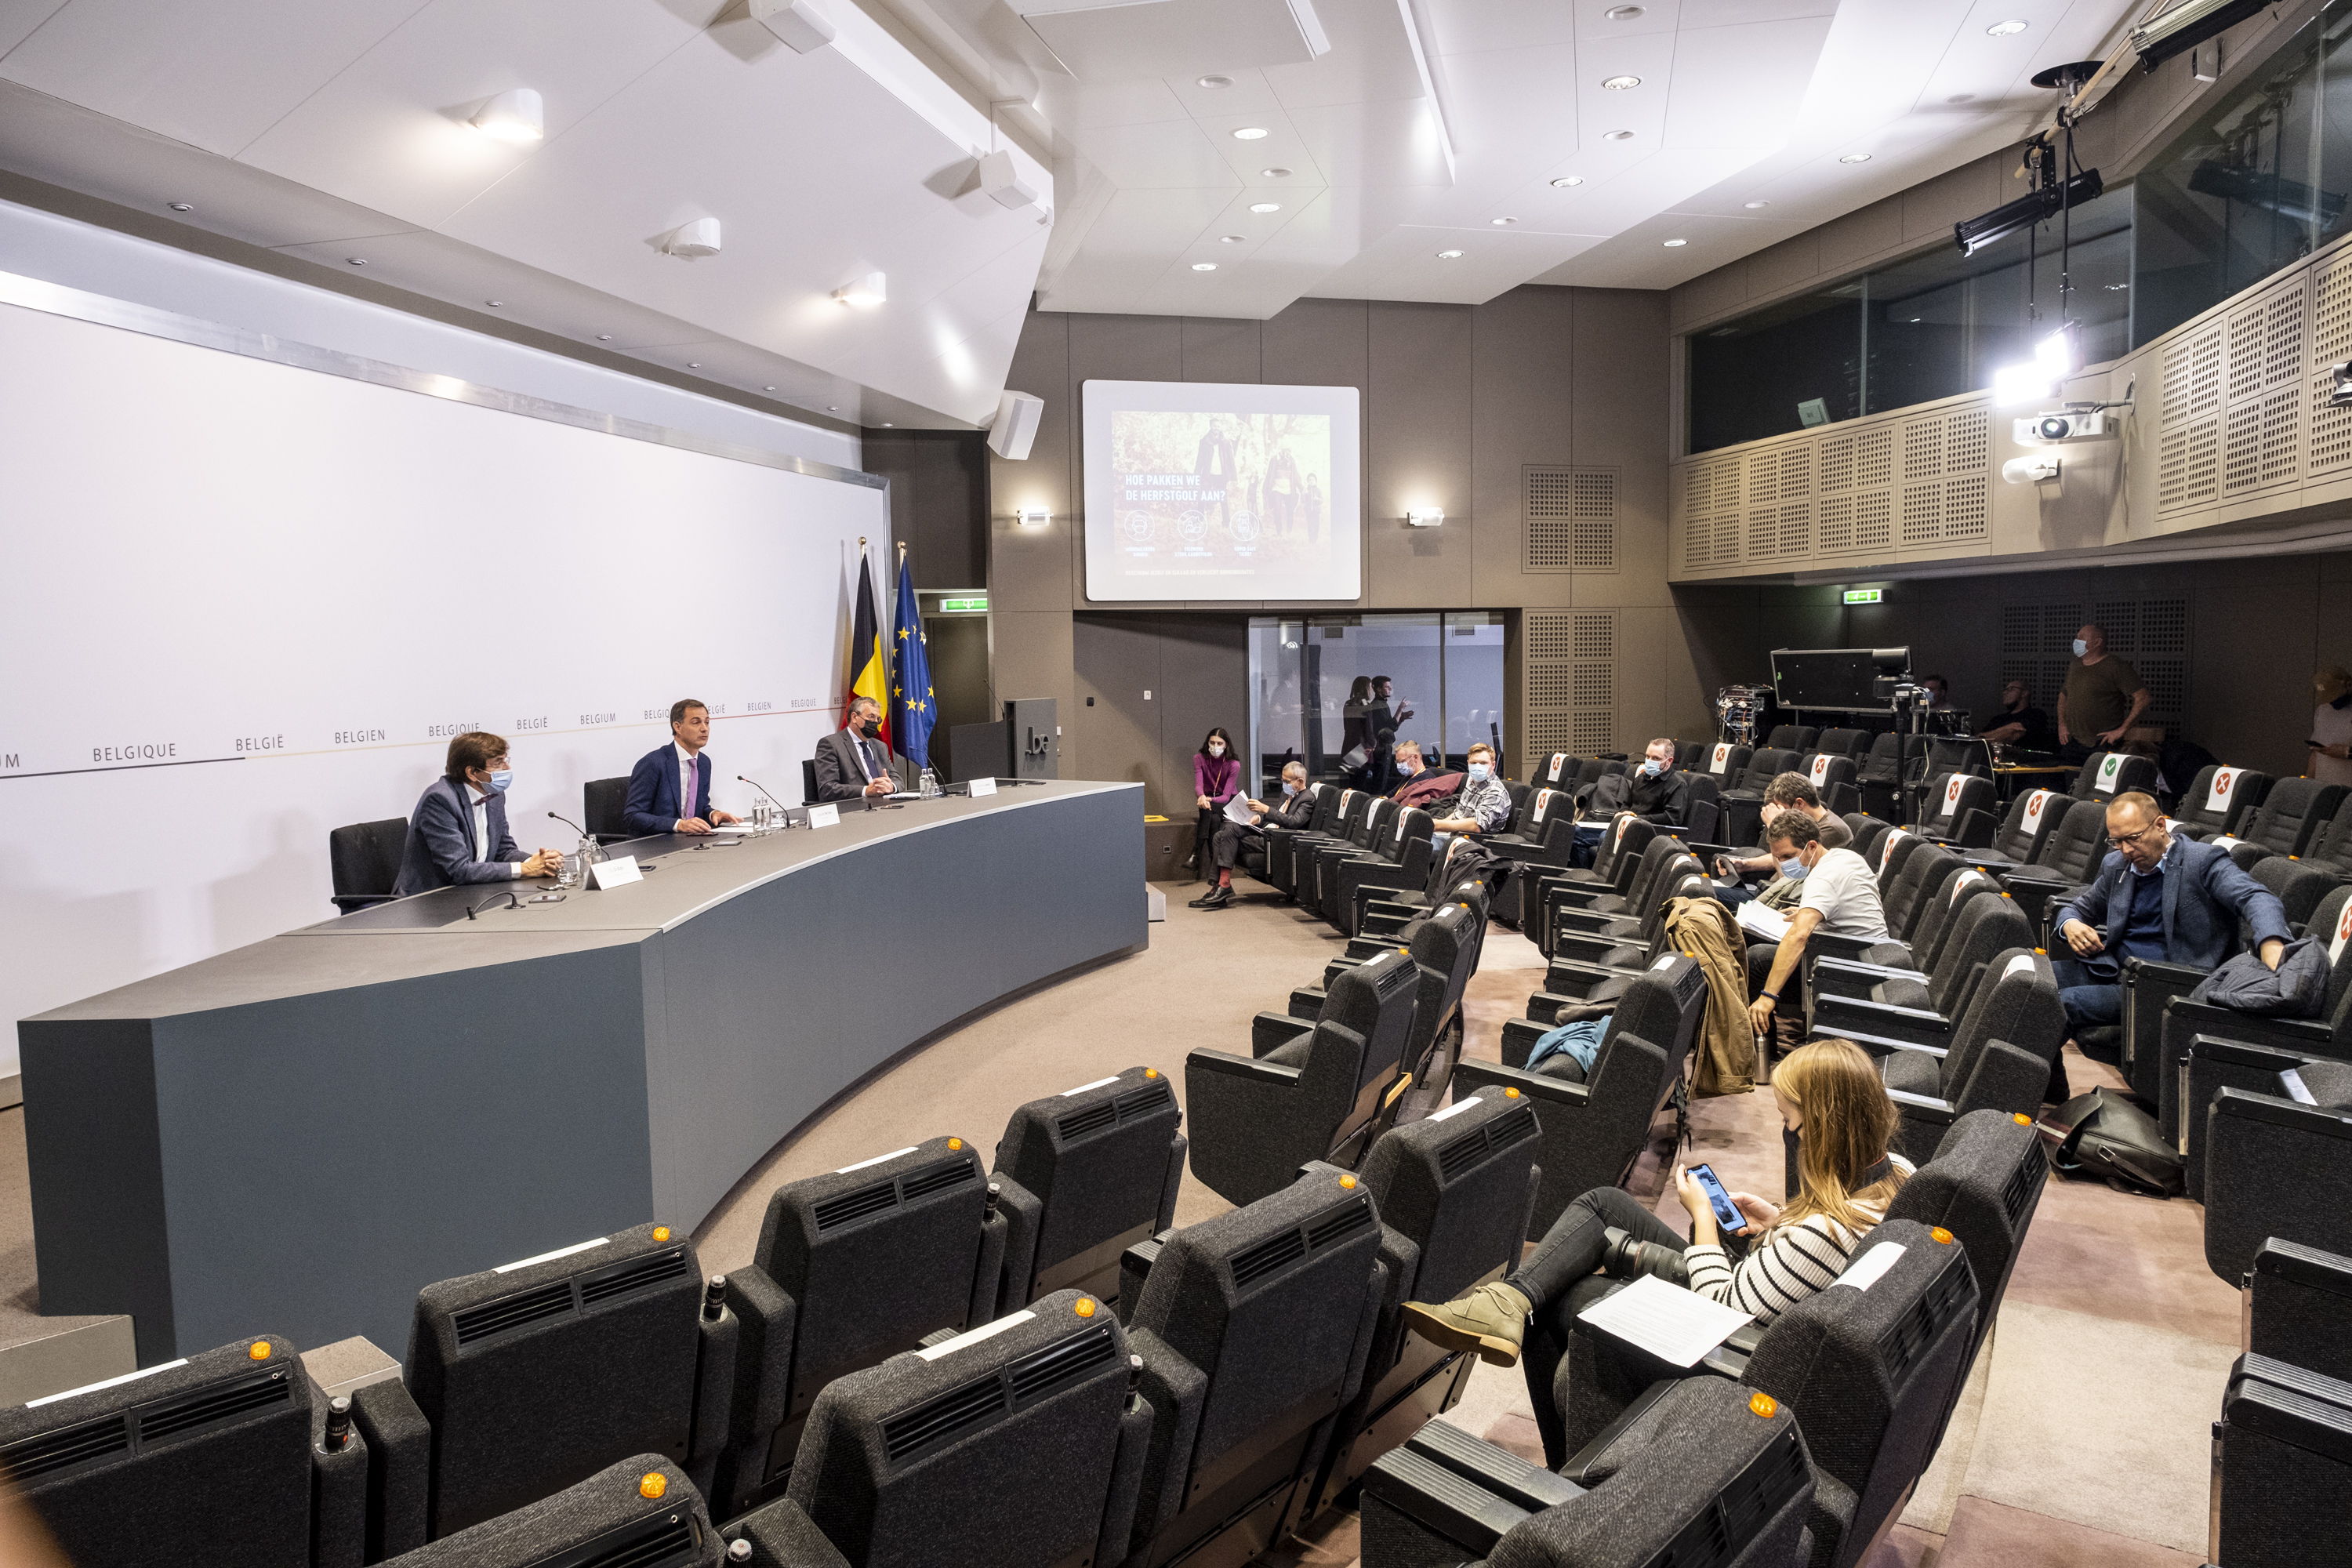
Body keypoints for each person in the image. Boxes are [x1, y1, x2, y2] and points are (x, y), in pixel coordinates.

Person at [1399, 1039, 1912, 1376]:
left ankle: (1519, 1322)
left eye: (1789, 1119)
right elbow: (1814, 1256)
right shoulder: (1899, 1173)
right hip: (1762, 1287)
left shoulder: (1821, 1233)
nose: (1787, 1132)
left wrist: (1705, 1222)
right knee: (1604, 1205)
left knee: (1569, 1298)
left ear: (1821, 1127)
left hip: (1734, 1341)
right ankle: (1507, 1304)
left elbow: (1723, 1305)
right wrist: (1777, 1221)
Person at [2049, 791, 2288, 1041]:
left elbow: (2256, 897)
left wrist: (2271, 942)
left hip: (2164, 982)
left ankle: (2044, 1081)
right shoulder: (2116, 865)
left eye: (2133, 838)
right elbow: (2079, 907)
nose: (2126, 850)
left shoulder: (2202, 861)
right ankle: (2050, 1082)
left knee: (2056, 1005)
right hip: (2111, 969)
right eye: (2117, 842)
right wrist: (2070, 924)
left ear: (2160, 826)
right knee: (2029, 980)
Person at [1746, 811, 1889, 1043]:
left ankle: (1760, 1051)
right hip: (1868, 953)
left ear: (1811, 846)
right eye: (1778, 858)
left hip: (1852, 969)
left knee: (1758, 959)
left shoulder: (1822, 878)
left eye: (1788, 856)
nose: (1782, 864)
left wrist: (1768, 996)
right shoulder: (1844, 856)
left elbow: (1799, 936)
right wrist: (1809, 914)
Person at [393, 731, 563, 896]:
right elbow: (458, 870)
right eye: (498, 763)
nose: (507, 768)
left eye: (505, 760)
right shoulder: (440, 799)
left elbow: (504, 851)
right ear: (472, 773)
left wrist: (540, 862)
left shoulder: (494, 795)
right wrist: (526, 869)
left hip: (471, 891)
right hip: (430, 898)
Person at [1192, 760, 1316, 909]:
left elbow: (1294, 822)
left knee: (1225, 835)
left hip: (1277, 840)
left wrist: (1266, 810)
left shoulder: (1307, 798)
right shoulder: (1287, 793)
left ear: (1300, 781)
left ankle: (1223, 886)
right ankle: (1218, 886)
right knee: (1224, 832)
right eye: (1282, 780)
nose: (1283, 784)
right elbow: (1278, 814)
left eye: (1286, 781)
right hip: (1265, 832)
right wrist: (1259, 818)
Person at [1712, 773, 1850, 896]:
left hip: (1784, 896)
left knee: (1706, 895)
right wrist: (1746, 865)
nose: (1778, 813)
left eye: (1781, 808)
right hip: (1769, 888)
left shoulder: (1833, 830)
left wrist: (1775, 826)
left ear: (1799, 804)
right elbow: (1785, 856)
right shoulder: (1808, 822)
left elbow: (1789, 878)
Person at [623, 699, 742, 837]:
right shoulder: (653, 763)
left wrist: (713, 814)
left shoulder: (704, 762)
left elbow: (699, 807)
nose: (704, 728)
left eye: (707, 722)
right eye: (696, 722)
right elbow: (633, 816)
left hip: (690, 841)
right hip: (658, 843)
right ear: (677, 727)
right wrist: (678, 825)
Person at [2057, 623, 2150, 763]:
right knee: (2071, 781)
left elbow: (2143, 698)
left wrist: (2122, 729)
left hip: (2101, 741)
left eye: (2082, 637)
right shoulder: (2075, 665)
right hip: (2073, 740)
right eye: (2077, 637)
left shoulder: (2115, 666)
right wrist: (2062, 724)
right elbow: (2064, 695)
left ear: (2097, 642)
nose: (2077, 641)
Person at [813, 695, 902, 801]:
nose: (875, 722)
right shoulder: (831, 744)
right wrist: (866, 791)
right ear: (854, 717)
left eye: (878, 719)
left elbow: (898, 780)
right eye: (871, 717)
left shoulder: (880, 746)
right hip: (853, 809)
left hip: (882, 806)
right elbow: (828, 789)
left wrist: (891, 786)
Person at [1432, 742, 1512, 837]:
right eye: (1473, 763)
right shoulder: (1471, 780)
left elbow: (1477, 825)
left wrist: (1438, 825)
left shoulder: (1495, 791)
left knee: (1419, 846)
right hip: (1454, 834)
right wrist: (1438, 826)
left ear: (1493, 765)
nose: (1478, 767)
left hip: (1474, 841)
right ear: (1468, 763)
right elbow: (1459, 813)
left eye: (1483, 763)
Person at [1192, 728, 1242, 877]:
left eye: (1219, 743)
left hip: (1227, 801)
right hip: (1208, 799)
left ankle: (1196, 853)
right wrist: (1201, 796)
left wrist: (1207, 799)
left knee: (1208, 810)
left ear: (1226, 745)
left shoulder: (1233, 764)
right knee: (1212, 818)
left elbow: (1226, 796)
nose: (1215, 746)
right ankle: (1216, 866)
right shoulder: (1199, 758)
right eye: (1212, 742)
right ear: (1207, 743)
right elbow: (1198, 785)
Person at [1622, 736, 1689, 826]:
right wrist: (1623, 813)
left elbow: (1672, 818)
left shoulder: (1677, 784)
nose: (1649, 761)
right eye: (1647, 756)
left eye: (1656, 758)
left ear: (1669, 761)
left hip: (1652, 830)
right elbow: (1626, 804)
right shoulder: (1641, 778)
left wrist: (1637, 819)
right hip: (1629, 824)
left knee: (1603, 836)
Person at [1978, 677, 2055, 753]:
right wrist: (2008, 727)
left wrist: (1989, 737)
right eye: (2005, 690)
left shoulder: (2035, 714)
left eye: (2011, 689)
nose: (2005, 693)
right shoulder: (1998, 719)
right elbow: (1978, 740)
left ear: (2024, 693)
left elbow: (2012, 735)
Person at [2311, 665, 2352, 789]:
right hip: (2324, 788)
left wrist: (2347, 752)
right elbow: (2315, 753)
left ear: (2349, 685)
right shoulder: (2323, 710)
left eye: (2335, 695)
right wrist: (2307, 782)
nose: (2332, 701)